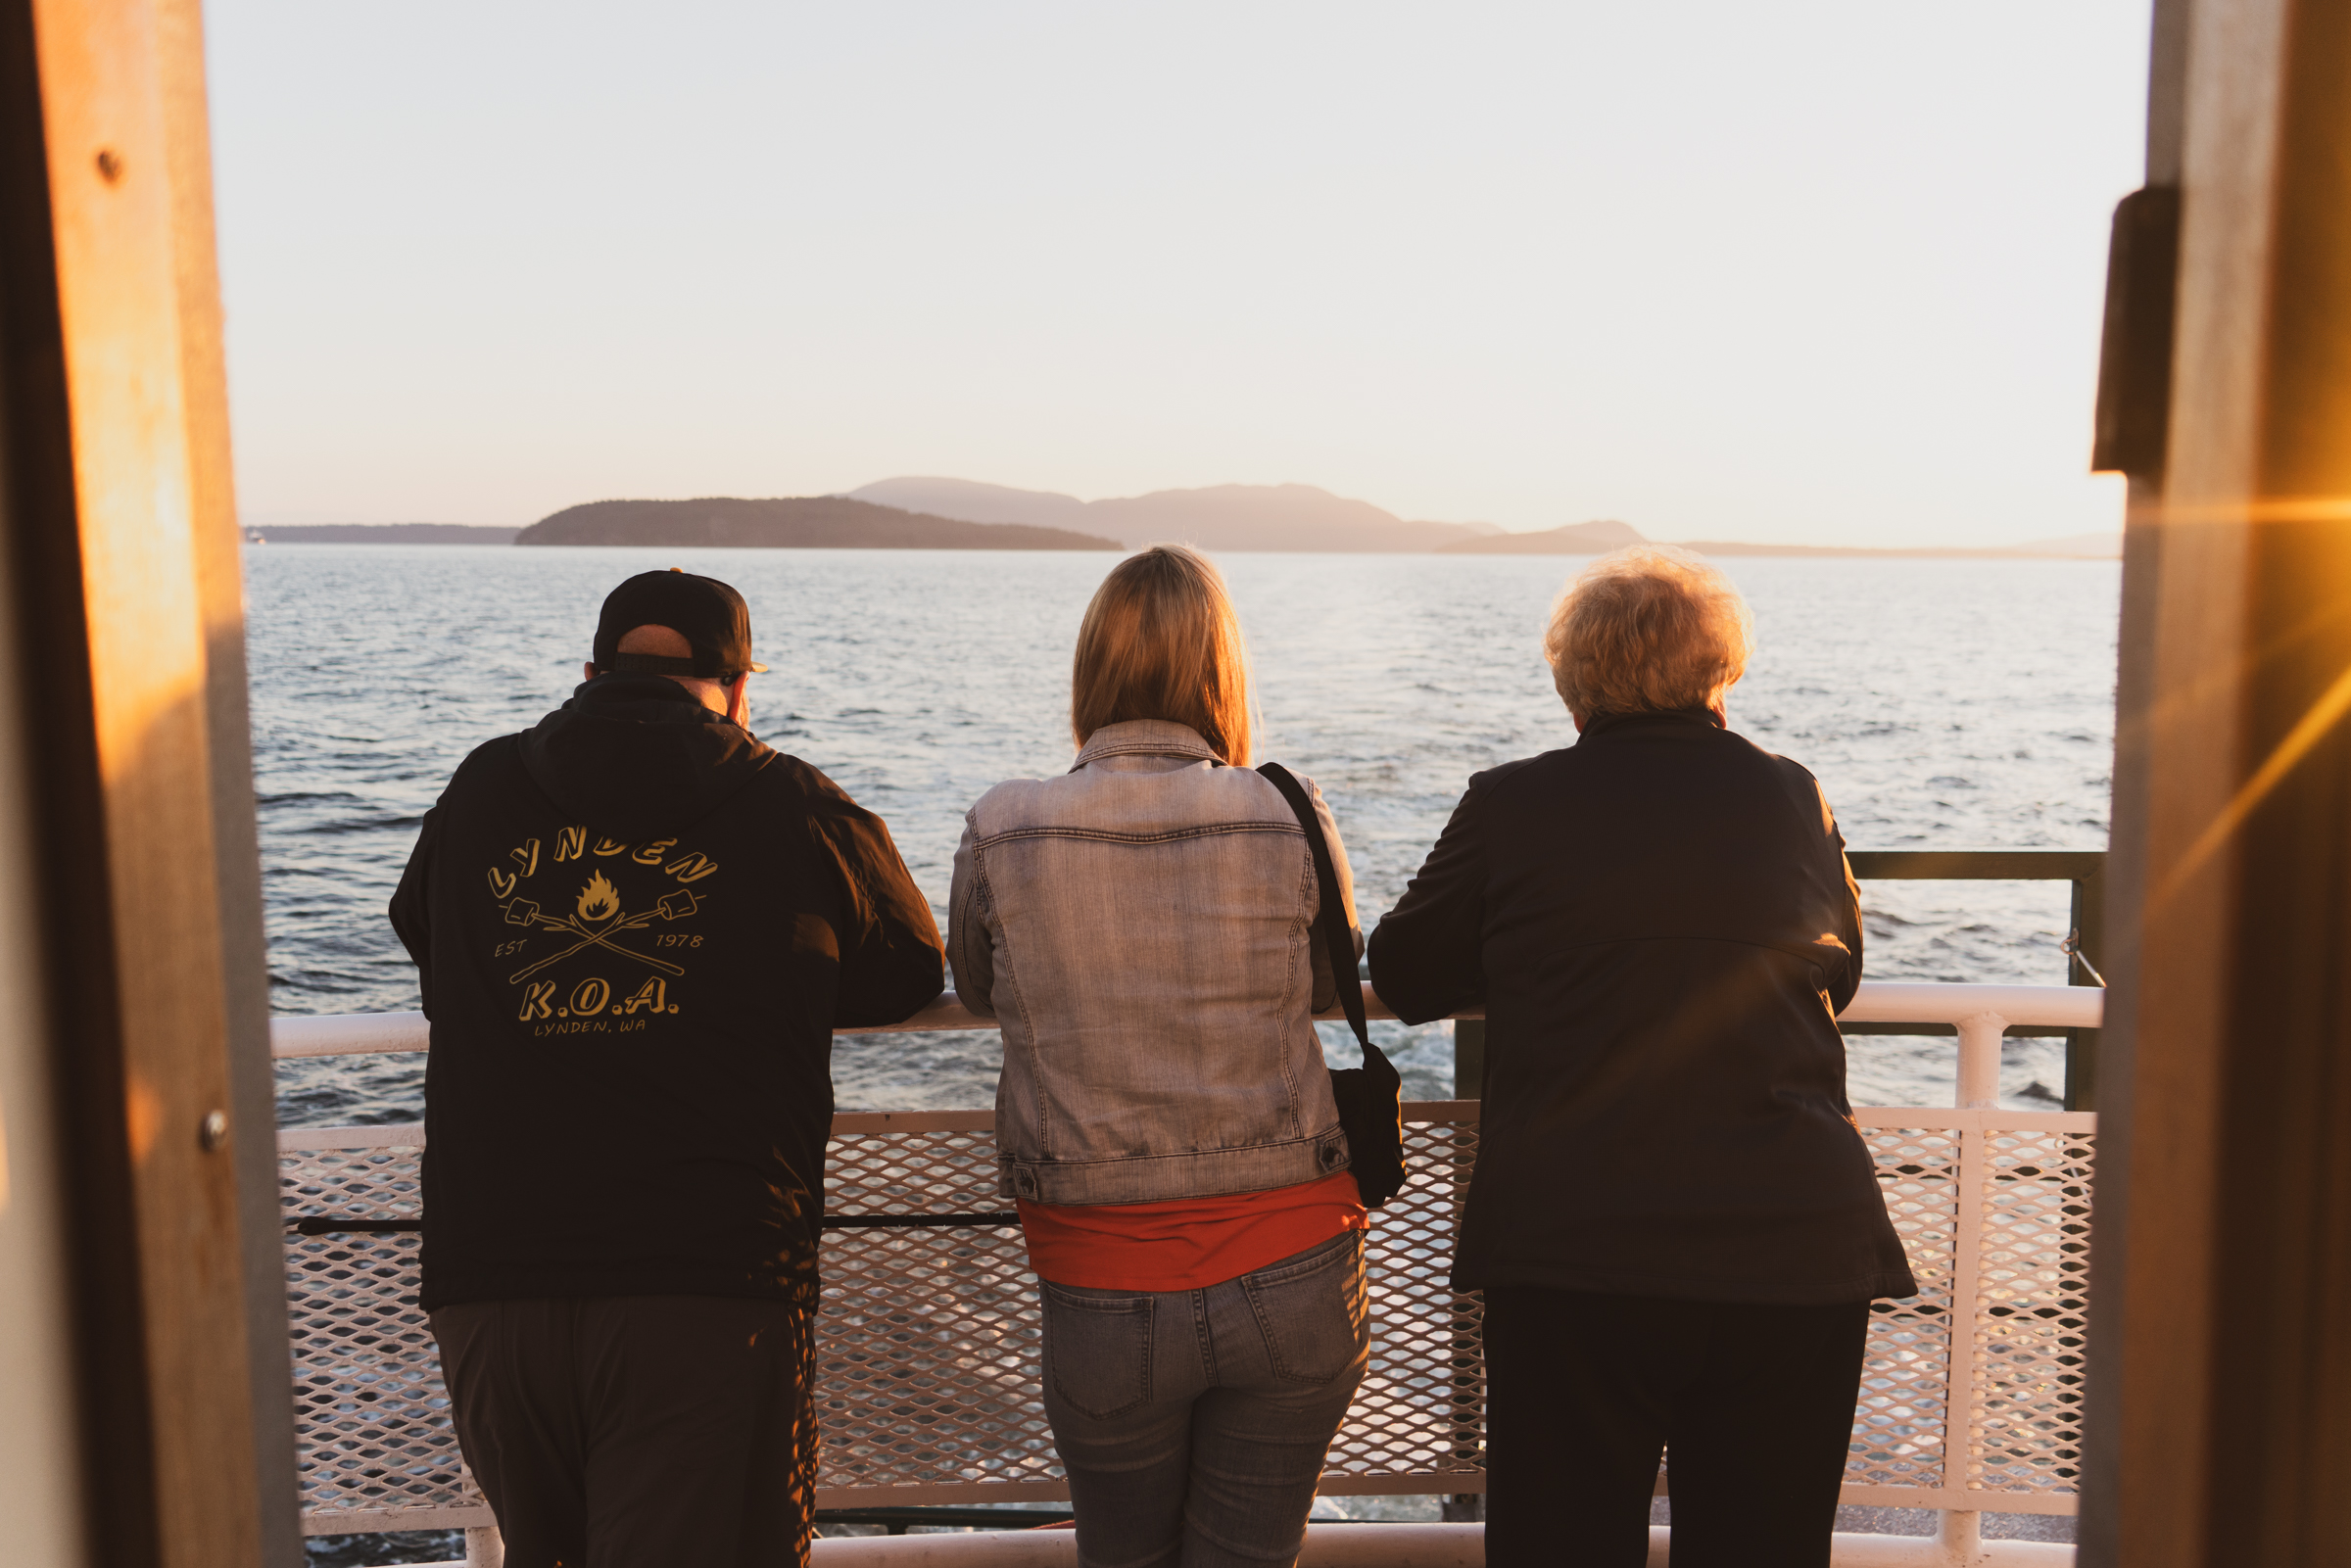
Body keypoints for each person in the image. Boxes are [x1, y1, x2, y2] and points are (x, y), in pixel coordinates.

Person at [1367, 546, 1915, 1568]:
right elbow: (1836, 974)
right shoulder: (1791, 795)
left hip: (1580, 1245)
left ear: (1577, 683)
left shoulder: (1512, 802)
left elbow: (1403, 971)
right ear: (1721, 673)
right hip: (1794, 1242)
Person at [390, 569, 944, 1568]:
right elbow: (906, 964)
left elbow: (423, 930)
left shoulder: (481, 785)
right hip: (705, 1290)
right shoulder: (792, 800)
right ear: (736, 688)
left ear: (591, 671)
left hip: (490, 1285)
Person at [948, 545, 1371, 1568]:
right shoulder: (1285, 806)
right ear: (1221, 673)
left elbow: (971, 983)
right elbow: (1330, 980)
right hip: (1296, 1253)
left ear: (1091, 672)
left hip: (1101, 1270)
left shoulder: (1004, 825)